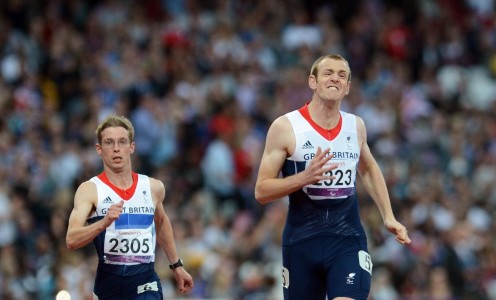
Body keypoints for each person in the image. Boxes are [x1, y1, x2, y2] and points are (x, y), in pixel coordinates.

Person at [254, 54, 411, 300]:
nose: (335, 78)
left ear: (347, 87)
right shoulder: (286, 127)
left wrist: (388, 216)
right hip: (301, 242)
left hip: (347, 239)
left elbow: (368, 168)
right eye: (328, 73)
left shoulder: (355, 126)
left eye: (342, 75)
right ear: (312, 82)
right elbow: (262, 191)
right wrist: (304, 177)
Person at [66, 115, 194, 299]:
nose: (116, 149)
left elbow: (161, 222)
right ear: (99, 149)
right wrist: (104, 223)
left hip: (145, 284)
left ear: (131, 147)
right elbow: (71, 239)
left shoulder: (153, 187)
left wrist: (177, 266)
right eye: (109, 143)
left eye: (122, 142)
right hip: (108, 287)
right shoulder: (90, 190)